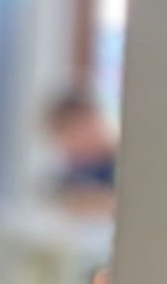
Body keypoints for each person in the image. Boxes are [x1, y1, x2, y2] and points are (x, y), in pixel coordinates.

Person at [42, 86, 118, 220]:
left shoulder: (123, 162)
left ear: (92, 121)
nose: (70, 147)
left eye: (73, 135)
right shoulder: (79, 170)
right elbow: (64, 199)